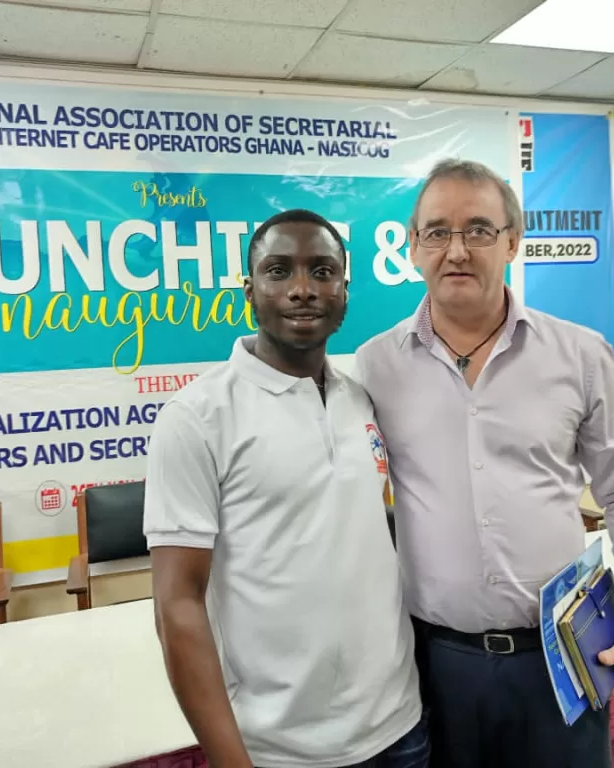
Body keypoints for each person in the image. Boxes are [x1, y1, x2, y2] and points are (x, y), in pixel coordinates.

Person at [354, 159, 614, 768]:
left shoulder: (579, 355)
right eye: (437, 232)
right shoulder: (376, 366)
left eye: (478, 230)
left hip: (564, 660)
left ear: (512, 242)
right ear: (413, 245)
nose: (456, 250)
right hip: (434, 663)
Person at [143, 209, 428, 768]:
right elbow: (177, 605)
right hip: (279, 750)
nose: (303, 289)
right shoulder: (197, 417)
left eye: (322, 271)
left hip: (400, 730)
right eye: (279, 271)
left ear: (344, 290)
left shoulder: (360, 400)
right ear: (249, 290)